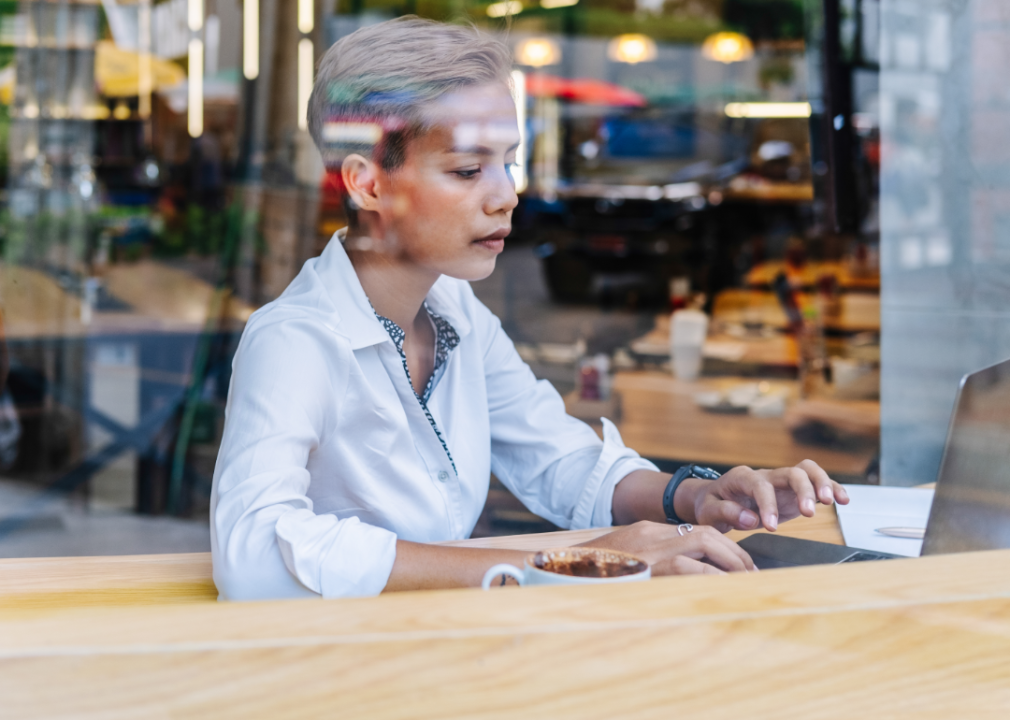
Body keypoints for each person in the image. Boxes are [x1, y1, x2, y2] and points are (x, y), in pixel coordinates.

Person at [210, 17, 848, 600]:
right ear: (367, 183)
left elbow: (557, 459)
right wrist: (557, 565)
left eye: (508, 163)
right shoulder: (294, 340)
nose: (505, 196)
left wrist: (697, 497)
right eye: (467, 170)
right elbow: (252, 554)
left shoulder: (453, 311)